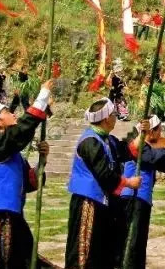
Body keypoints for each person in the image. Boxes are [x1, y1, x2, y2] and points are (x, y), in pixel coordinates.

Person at [0, 79, 54, 268]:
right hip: (0, 218)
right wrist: (42, 97)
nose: (12, 113)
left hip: (15, 217)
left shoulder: (14, 155)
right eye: (6, 112)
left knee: (27, 262)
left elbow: (30, 183)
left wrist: (41, 162)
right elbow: (21, 131)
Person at [64, 98, 141, 269]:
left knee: (102, 251)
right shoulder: (90, 142)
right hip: (88, 203)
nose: (115, 117)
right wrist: (128, 182)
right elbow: (105, 175)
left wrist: (143, 133)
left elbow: (125, 151)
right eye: (114, 114)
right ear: (106, 119)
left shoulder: (108, 139)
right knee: (84, 252)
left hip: (103, 203)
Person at [115, 116, 165, 268]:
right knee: (132, 242)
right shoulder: (138, 145)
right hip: (133, 198)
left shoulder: (144, 146)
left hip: (141, 199)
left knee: (139, 241)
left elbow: (163, 164)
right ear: (150, 132)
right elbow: (159, 156)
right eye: (159, 131)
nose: (160, 134)